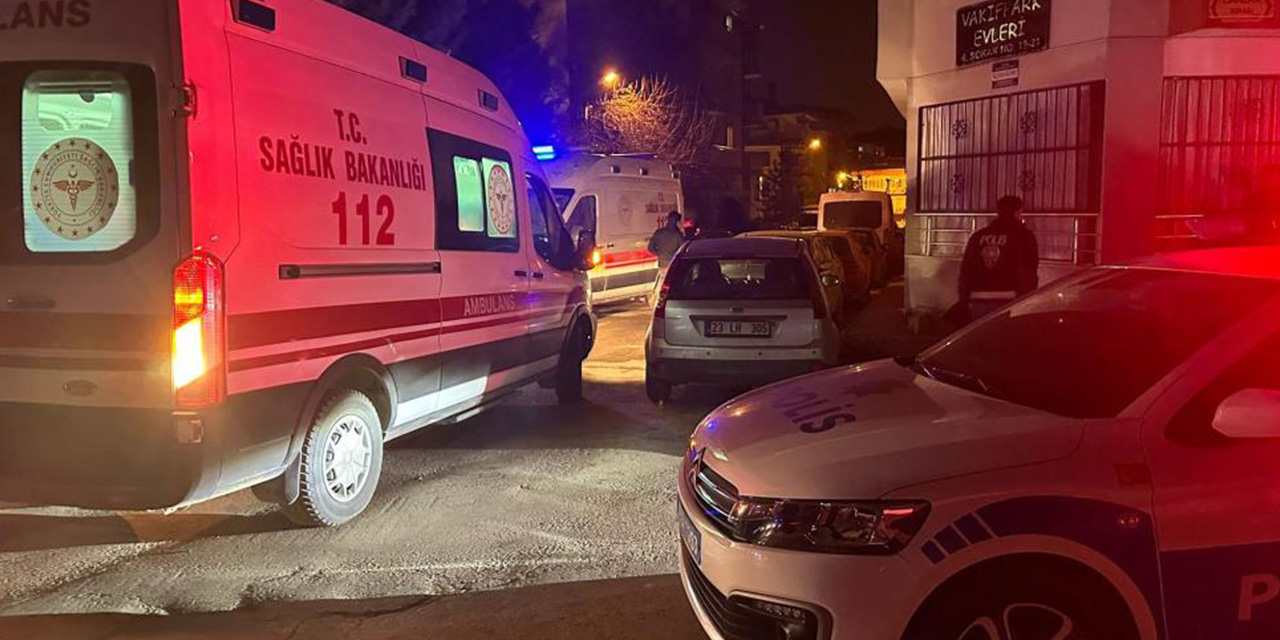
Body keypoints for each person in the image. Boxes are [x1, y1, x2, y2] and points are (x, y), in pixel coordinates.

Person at [958, 195, 1039, 321]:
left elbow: (966, 269)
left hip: (977, 298)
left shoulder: (978, 236)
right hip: (1009, 299)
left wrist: (964, 299)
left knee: (982, 332)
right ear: (1017, 212)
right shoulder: (1024, 236)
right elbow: (1029, 269)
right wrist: (1027, 296)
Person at [649, 211, 685, 290]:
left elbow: (650, 248)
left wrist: (660, 254)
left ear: (668, 219)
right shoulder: (678, 235)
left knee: (662, 284)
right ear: (677, 221)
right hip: (674, 265)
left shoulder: (659, 233)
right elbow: (683, 250)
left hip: (663, 263)